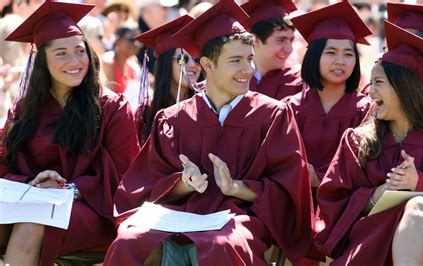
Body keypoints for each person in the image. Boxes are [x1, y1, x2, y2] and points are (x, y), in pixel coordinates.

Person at [104, 0, 314, 265]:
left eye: (249, 58)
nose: (247, 69)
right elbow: (143, 187)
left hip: (239, 221)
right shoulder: (173, 118)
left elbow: (290, 189)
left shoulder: (273, 115)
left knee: (220, 245)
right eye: (235, 60)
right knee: (128, 241)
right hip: (176, 218)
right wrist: (183, 183)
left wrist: (235, 187)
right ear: (208, 64)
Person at [314, 21, 423, 265]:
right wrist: (376, 195)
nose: (370, 91)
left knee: (420, 206)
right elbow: (332, 206)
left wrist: (419, 183)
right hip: (368, 245)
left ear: (404, 90)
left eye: (379, 83)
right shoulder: (358, 141)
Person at [0, 2, 139, 265]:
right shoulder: (25, 110)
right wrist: (33, 182)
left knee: (31, 224)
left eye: (80, 51)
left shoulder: (111, 108)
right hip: (34, 201)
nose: (75, 62)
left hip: (96, 210)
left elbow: (126, 176)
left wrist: (70, 189)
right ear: (43, 62)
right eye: (61, 54)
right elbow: (5, 164)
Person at [285, 1, 372, 192]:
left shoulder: (366, 110)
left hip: (345, 205)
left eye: (349, 54)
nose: (340, 61)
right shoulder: (290, 108)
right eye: (331, 52)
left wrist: (320, 180)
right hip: (295, 202)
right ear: (314, 56)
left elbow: (369, 170)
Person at [133, 15, 201, 145]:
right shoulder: (146, 114)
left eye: (197, 60)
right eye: (183, 59)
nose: (193, 64)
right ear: (166, 63)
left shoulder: (205, 110)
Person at [241, 0, 302, 100]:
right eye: (280, 40)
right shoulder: (236, 76)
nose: (289, 49)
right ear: (255, 40)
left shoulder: (300, 82)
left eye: (291, 40)